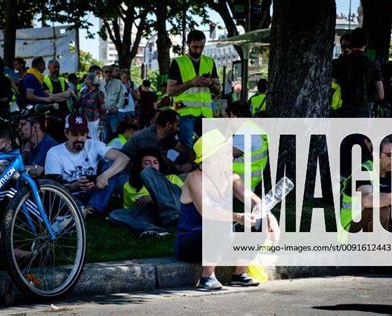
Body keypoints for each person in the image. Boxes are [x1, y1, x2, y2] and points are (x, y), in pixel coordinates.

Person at [174, 129, 279, 290]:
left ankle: (239, 274)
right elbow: (207, 211)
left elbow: (252, 199)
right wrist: (238, 217)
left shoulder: (231, 176)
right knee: (220, 222)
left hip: (222, 240)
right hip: (191, 243)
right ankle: (207, 277)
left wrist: (269, 216)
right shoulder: (195, 178)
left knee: (258, 219)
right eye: (225, 152)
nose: (231, 155)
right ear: (211, 159)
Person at [45, 114, 129, 216]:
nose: (79, 138)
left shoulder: (93, 144)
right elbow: (53, 189)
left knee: (113, 166)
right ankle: (81, 209)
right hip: (70, 196)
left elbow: (124, 158)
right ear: (66, 133)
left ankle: (93, 208)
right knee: (56, 195)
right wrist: (75, 186)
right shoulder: (54, 153)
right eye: (75, 134)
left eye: (83, 133)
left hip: (93, 193)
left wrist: (105, 175)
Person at [109, 147, 183, 238]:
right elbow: (133, 210)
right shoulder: (129, 186)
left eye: (156, 162)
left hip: (176, 212)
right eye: (147, 163)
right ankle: (152, 229)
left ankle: (173, 220)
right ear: (139, 165)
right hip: (153, 216)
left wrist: (153, 197)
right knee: (115, 215)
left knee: (148, 172)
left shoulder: (172, 178)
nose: (152, 166)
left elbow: (185, 197)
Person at [167, 30, 221, 148]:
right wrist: (190, 83)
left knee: (209, 147)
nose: (198, 50)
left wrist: (210, 83)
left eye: (201, 47)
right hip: (185, 113)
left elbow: (218, 89)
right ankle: (187, 165)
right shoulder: (178, 62)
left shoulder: (209, 62)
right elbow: (170, 91)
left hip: (206, 113)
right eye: (195, 47)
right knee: (186, 147)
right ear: (187, 44)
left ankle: (202, 166)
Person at [121, 110, 195, 174]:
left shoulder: (166, 136)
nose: (178, 129)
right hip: (127, 174)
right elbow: (159, 160)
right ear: (168, 125)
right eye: (177, 126)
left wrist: (190, 163)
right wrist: (177, 167)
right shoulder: (147, 137)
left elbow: (184, 149)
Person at [333, 28, 384, 117]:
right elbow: (381, 95)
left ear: (351, 42)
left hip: (342, 109)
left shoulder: (340, 63)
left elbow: (333, 85)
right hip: (362, 112)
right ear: (366, 43)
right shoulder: (373, 64)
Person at [226, 101, 268, 192]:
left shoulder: (245, 133)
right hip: (249, 179)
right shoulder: (252, 127)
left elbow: (225, 154)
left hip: (241, 181)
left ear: (234, 116)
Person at [100, 65, 125, 141]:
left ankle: (116, 147)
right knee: (104, 132)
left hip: (113, 112)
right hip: (103, 113)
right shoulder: (99, 83)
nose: (108, 74)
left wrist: (117, 107)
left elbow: (122, 96)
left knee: (115, 131)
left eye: (110, 72)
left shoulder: (118, 82)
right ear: (102, 73)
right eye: (106, 72)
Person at [79, 73, 106, 141]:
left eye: (88, 79)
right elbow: (79, 104)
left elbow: (103, 109)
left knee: (94, 140)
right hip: (83, 120)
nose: (85, 80)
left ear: (93, 82)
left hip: (94, 122)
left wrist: (101, 124)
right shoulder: (84, 91)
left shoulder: (99, 93)